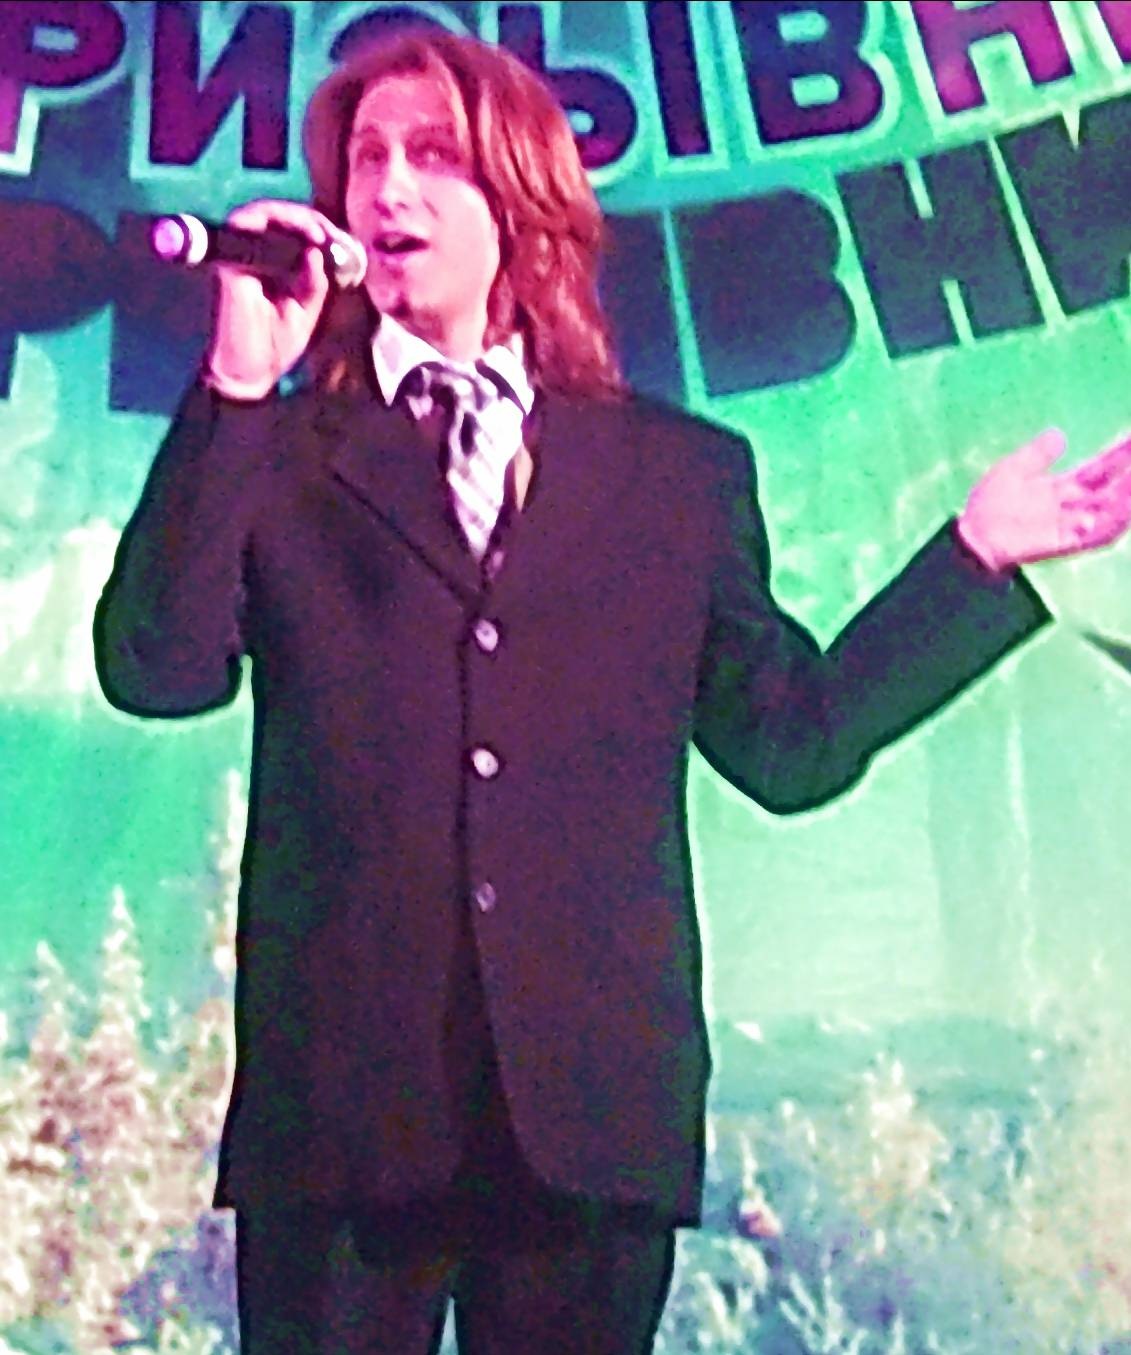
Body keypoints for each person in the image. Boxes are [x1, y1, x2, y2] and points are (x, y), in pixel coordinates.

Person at [94, 28, 1131, 1355]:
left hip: (589, 1119)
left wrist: (974, 559)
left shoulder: (676, 478)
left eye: (434, 156)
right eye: (367, 160)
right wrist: (239, 384)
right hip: (342, 1122)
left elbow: (792, 744)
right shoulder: (277, 454)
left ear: (521, 195)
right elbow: (159, 672)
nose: (391, 188)